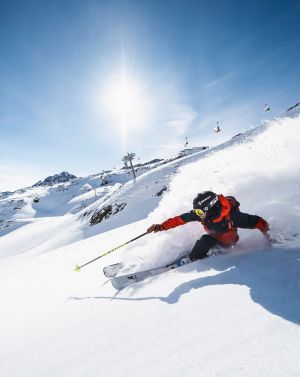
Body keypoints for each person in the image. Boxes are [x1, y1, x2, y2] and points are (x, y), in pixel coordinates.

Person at [147, 191, 270, 262]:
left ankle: (194, 259)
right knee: (205, 240)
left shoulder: (233, 216)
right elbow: (179, 220)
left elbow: (258, 222)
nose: (197, 214)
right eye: (197, 212)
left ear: (210, 209)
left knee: (205, 241)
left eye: (200, 212)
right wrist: (161, 226)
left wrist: (270, 237)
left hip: (228, 242)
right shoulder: (202, 215)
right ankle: (203, 252)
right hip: (214, 238)